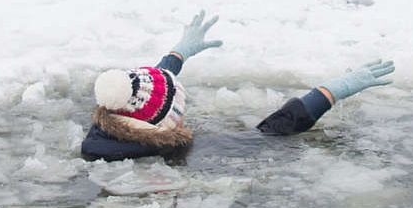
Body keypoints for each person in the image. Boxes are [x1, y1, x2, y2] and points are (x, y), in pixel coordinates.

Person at [81, 11, 395, 161]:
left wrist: (177, 55)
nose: (182, 116)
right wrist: (326, 94)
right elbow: (270, 132)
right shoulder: (174, 151)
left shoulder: (102, 134)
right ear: (163, 125)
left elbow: (147, 94)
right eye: (178, 113)